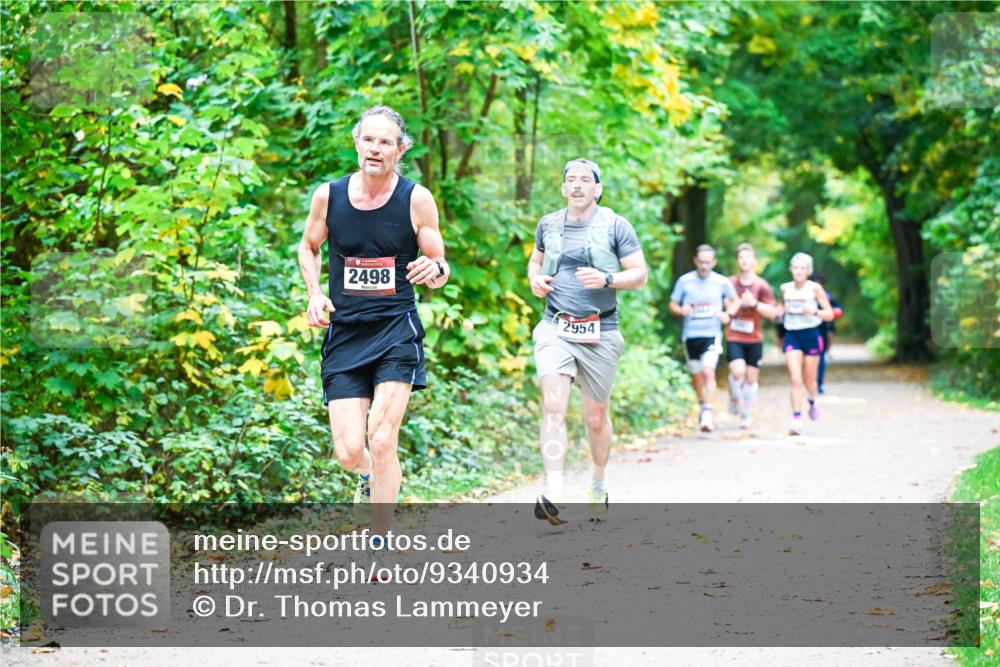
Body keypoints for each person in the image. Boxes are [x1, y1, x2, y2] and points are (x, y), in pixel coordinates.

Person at [297, 105, 449, 550]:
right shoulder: (330, 195)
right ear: (356, 143)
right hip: (345, 332)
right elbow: (308, 248)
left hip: (395, 330)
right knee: (349, 451)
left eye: (386, 142)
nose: (375, 149)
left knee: (382, 438)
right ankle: (367, 476)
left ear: (400, 150)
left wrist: (433, 270)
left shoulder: (415, 199)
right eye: (369, 139)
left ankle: (380, 540)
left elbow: (440, 264)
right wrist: (314, 293)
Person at [527, 158, 648, 524]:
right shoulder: (548, 224)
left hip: (601, 331)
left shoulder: (615, 225)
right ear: (563, 188)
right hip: (555, 327)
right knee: (553, 406)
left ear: (598, 189)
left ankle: (598, 482)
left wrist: (607, 279)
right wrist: (534, 279)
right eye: (570, 180)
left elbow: (639, 274)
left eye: (585, 180)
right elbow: (535, 262)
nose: (577, 186)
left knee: (595, 418)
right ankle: (554, 487)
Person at [669, 245, 739, 433]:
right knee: (697, 377)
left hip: (712, 334)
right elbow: (673, 304)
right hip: (691, 335)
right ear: (695, 261)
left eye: (707, 262)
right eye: (701, 262)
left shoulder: (721, 282)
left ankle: (707, 412)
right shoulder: (685, 281)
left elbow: (735, 301)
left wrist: (728, 314)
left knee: (708, 372)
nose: (704, 266)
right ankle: (702, 404)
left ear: (713, 262)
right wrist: (681, 310)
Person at [775, 253, 834, 435]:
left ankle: (812, 399)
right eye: (795, 268)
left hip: (811, 335)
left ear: (808, 271)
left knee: (809, 380)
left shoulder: (815, 288)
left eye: (802, 268)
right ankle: (797, 420)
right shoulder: (785, 289)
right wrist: (776, 311)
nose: (798, 271)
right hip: (792, 335)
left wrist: (815, 311)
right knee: (795, 379)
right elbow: (781, 309)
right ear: (791, 269)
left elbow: (830, 314)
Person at [725, 243, 777, 429]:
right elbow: (725, 304)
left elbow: (772, 312)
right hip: (734, 336)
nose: (744, 261)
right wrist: (737, 304)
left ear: (754, 261)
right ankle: (733, 394)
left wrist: (754, 304)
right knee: (738, 372)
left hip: (754, 338)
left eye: (748, 257)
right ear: (737, 261)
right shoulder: (730, 283)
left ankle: (745, 414)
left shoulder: (761, 285)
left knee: (751, 379)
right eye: (741, 257)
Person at [810, 273, 844, 394]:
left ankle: (819, 383)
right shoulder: (804, 296)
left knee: (821, 357)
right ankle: (809, 383)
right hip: (807, 331)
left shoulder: (828, 297)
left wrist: (835, 312)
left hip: (823, 329)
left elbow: (838, 309)